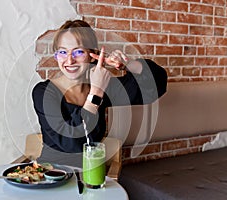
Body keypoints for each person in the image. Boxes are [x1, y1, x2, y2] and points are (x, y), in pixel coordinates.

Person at [32, 19, 167, 167]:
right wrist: (96, 92)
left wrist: (127, 64)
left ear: (92, 55)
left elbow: (155, 85)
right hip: (51, 176)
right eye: (63, 52)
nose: (69, 60)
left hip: (90, 176)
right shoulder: (44, 92)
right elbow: (71, 143)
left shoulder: (104, 86)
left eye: (78, 52)